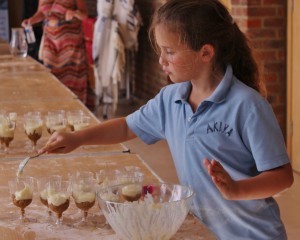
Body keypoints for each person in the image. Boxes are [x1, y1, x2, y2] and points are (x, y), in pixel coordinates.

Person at [40, 0, 294, 239]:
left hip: (252, 234)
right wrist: (78, 138)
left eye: (169, 52)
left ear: (205, 52)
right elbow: (127, 126)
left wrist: (236, 190)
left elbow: (282, 176)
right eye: (160, 51)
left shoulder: (247, 105)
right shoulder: (170, 99)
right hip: (205, 231)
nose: (161, 60)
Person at [22, 0, 89, 105]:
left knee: (72, 80)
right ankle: (56, 108)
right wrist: (31, 20)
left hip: (71, 45)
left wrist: (75, 13)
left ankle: (76, 109)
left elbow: (84, 14)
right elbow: (41, 13)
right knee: (52, 77)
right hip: (50, 43)